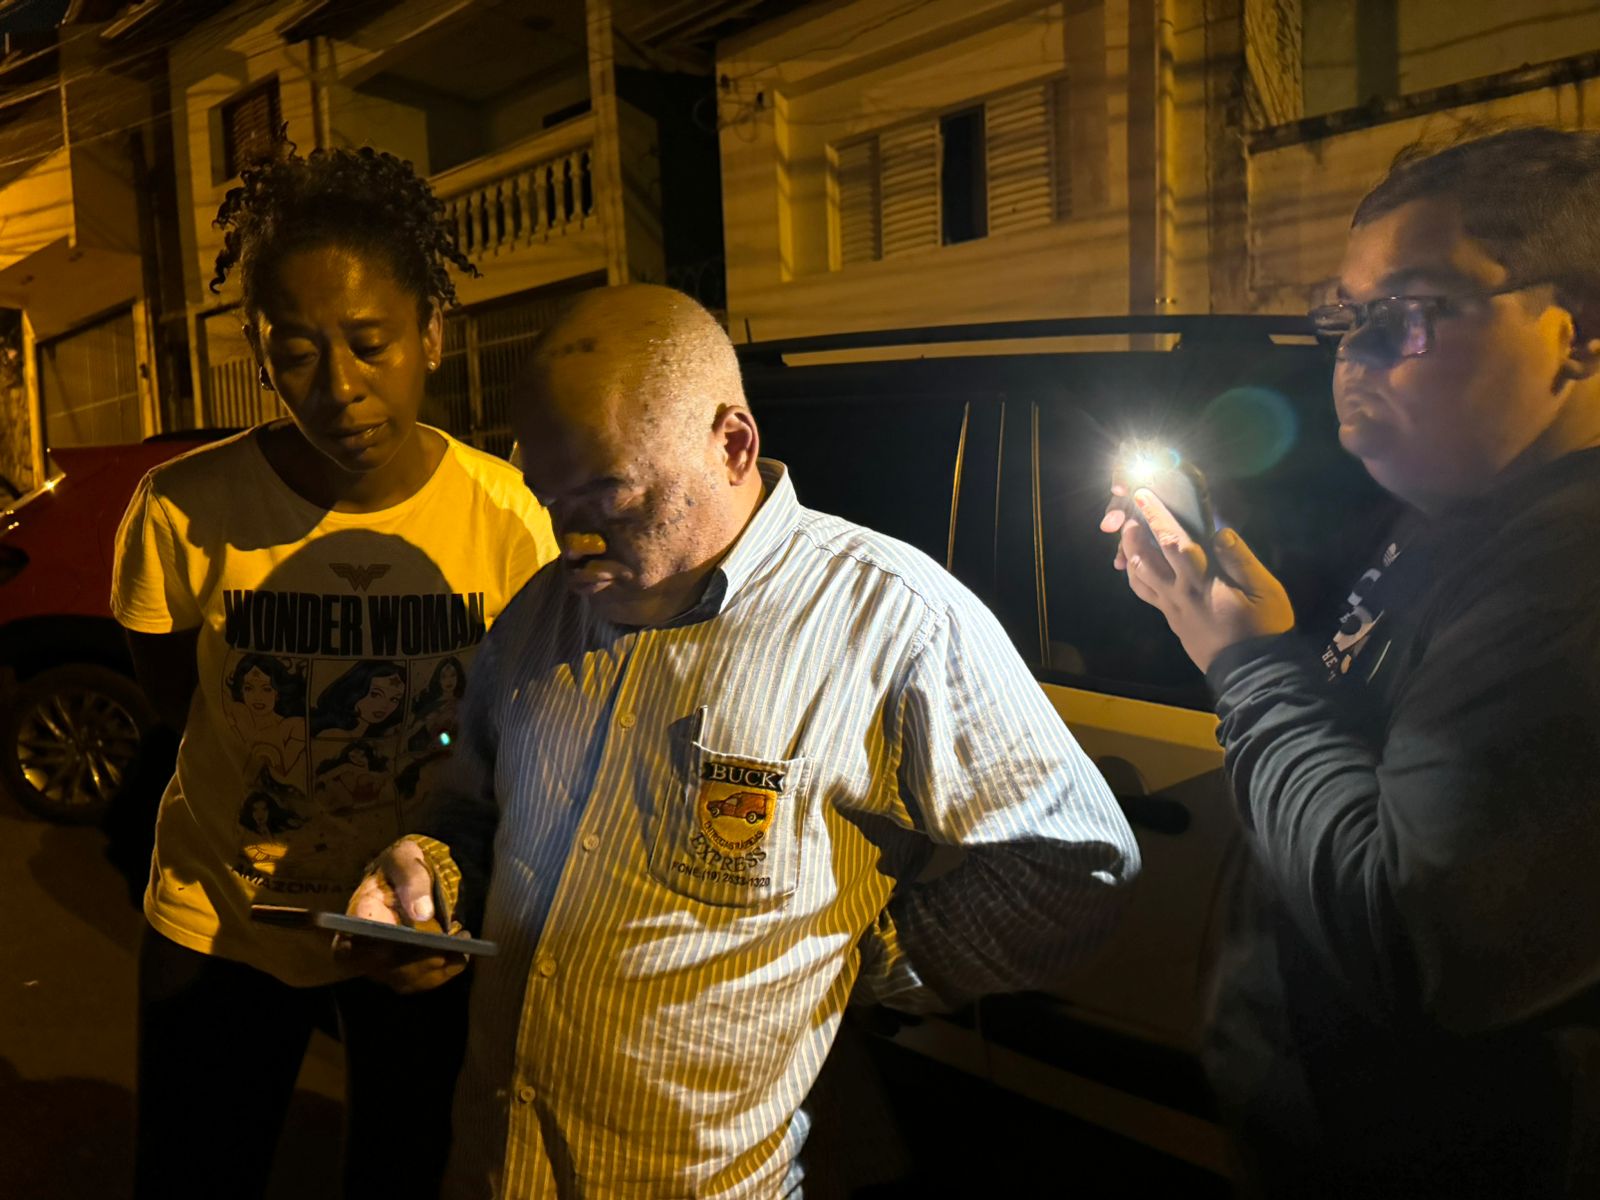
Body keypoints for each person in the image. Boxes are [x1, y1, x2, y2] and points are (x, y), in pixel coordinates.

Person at [344, 283, 1140, 1197]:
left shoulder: (895, 622)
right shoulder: (537, 616)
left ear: (732, 445)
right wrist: (426, 880)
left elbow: (1076, 864)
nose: (572, 539)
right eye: (548, 499)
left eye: (607, 493)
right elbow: (468, 813)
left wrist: (861, 962)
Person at [1102, 126, 1600, 1197]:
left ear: (1578, 333)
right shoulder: (1455, 514)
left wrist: (1247, 665)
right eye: (1342, 316)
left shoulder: (1571, 574)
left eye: (1406, 312)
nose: (1351, 353)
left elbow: (1412, 937)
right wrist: (1224, 602)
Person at [111, 139, 558, 1200]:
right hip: (222, 918)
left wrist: (448, 890)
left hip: (414, 927)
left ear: (431, 333)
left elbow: (519, 733)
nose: (341, 388)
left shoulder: (504, 517)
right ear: (258, 352)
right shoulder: (182, 507)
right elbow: (173, 689)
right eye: (299, 350)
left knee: (402, 1172)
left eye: (370, 343)